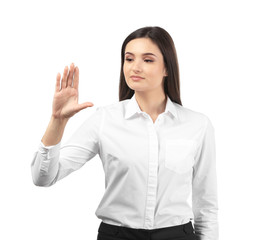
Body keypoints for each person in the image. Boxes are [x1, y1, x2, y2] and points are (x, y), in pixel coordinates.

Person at [31, 26, 218, 240]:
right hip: (117, 235)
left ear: (167, 68)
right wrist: (58, 120)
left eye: (147, 60)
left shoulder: (197, 124)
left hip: (177, 235)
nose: (135, 67)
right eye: (129, 59)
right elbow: (43, 178)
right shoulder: (105, 119)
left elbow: (206, 205)